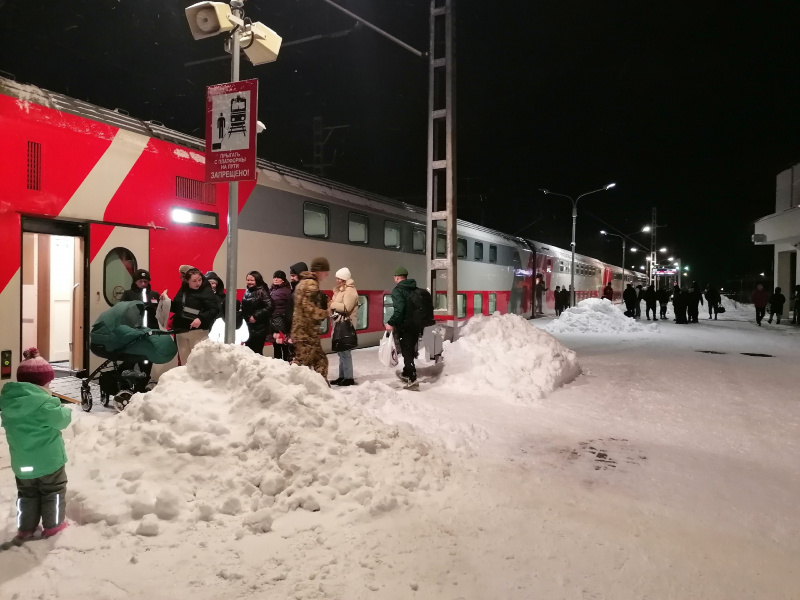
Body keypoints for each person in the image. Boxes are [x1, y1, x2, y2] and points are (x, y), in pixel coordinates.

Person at [0, 348, 71, 540]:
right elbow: (63, 420)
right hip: (49, 462)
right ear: (42, 383)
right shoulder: (45, 404)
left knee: (27, 494)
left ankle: (26, 528)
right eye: (49, 382)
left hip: (22, 463)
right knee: (53, 492)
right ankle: (53, 525)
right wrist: (61, 407)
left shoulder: (8, 403)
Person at [386, 266, 428, 385]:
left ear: (397, 277)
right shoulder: (414, 289)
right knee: (409, 349)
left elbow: (399, 309)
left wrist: (391, 322)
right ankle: (407, 371)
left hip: (405, 325)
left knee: (406, 351)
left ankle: (411, 377)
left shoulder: (398, 290)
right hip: (416, 325)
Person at [291, 257, 330, 380]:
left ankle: (320, 389)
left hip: (304, 332)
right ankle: (299, 391)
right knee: (303, 366)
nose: (327, 274)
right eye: (325, 271)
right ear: (318, 271)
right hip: (306, 333)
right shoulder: (311, 285)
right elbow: (308, 308)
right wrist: (326, 313)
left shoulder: (302, 282)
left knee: (320, 361)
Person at [171, 267, 220, 363]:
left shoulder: (206, 291)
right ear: (187, 281)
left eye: (200, 279)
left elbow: (213, 309)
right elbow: (177, 307)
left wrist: (201, 318)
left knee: (198, 362)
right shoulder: (183, 290)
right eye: (194, 281)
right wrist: (166, 303)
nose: (198, 283)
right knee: (185, 361)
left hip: (198, 331)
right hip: (181, 330)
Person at [120, 268, 160, 385]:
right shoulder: (128, 294)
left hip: (149, 332)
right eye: (140, 281)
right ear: (135, 282)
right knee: (130, 359)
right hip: (133, 332)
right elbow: (122, 310)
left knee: (147, 360)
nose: (143, 284)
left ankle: (144, 383)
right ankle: (126, 385)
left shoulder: (154, 295)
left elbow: (160, 311)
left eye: (145, 281)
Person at [329, 267, 359, 386]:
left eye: (339, 278)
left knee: (345, 352)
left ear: (344, 279)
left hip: (346, 325)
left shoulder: (350, 291)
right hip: (339, 324)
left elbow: (346, 307)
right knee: (341, 352)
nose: (337, 280)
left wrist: (332, 304)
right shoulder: (340, 290)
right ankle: (342, 376)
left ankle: (348, 378)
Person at [241, 271, 274, 355]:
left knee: (256, 353)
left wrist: (256, 316)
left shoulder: (261, 291)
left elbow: (270, 306)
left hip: (259, 328)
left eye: (252, 280)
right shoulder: (248, 290)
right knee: (248, 352)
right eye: (248, 280)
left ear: (257, 280)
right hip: (249, 327)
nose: (249, 282)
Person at [269, 271, 293, 361]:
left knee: (284, 346)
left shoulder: (286, 291)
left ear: (283, 280)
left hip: (283, 323)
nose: (275, 279)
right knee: (276, 345)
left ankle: (286, 365)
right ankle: (278, 365)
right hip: (274, 322)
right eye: (274, 277)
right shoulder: (272, 289)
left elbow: (290, 307)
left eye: (278, 277)